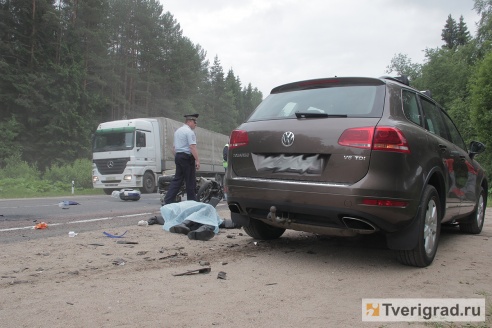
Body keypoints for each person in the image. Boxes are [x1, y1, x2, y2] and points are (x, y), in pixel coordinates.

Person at [164, 114, 200, 204]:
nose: (196, 124)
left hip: (178, 156)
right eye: (195, 122)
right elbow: (192, 147)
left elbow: (174, 148)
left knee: (177, 179)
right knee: (190, 180)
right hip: (186, 157)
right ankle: (192, 202)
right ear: (190, 121)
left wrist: (178, 157)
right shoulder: (189, 132)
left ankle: (168, 200)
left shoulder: (178, 131)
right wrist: (197, 160)